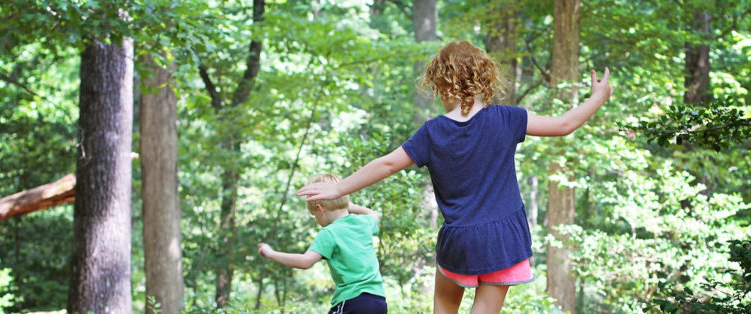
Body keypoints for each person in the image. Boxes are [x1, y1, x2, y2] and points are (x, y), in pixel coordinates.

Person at [296, 40, 613, 313]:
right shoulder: (507, 118)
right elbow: (563, 125)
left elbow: (386, 165)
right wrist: (597, 97)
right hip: (503, 238)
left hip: (459, 239)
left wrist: (337, 188)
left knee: (446, 306)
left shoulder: (432, 132)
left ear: (439, 83)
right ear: (484, 78)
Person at [258, 173, 387, 314]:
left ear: (320, 209)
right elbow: (374, 215)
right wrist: (350, 206)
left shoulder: (329, 233)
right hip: (378, 301)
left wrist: (272, 254)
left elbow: (305, 261)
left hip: (352, 301)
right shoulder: (363, 222)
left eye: (314, 215)